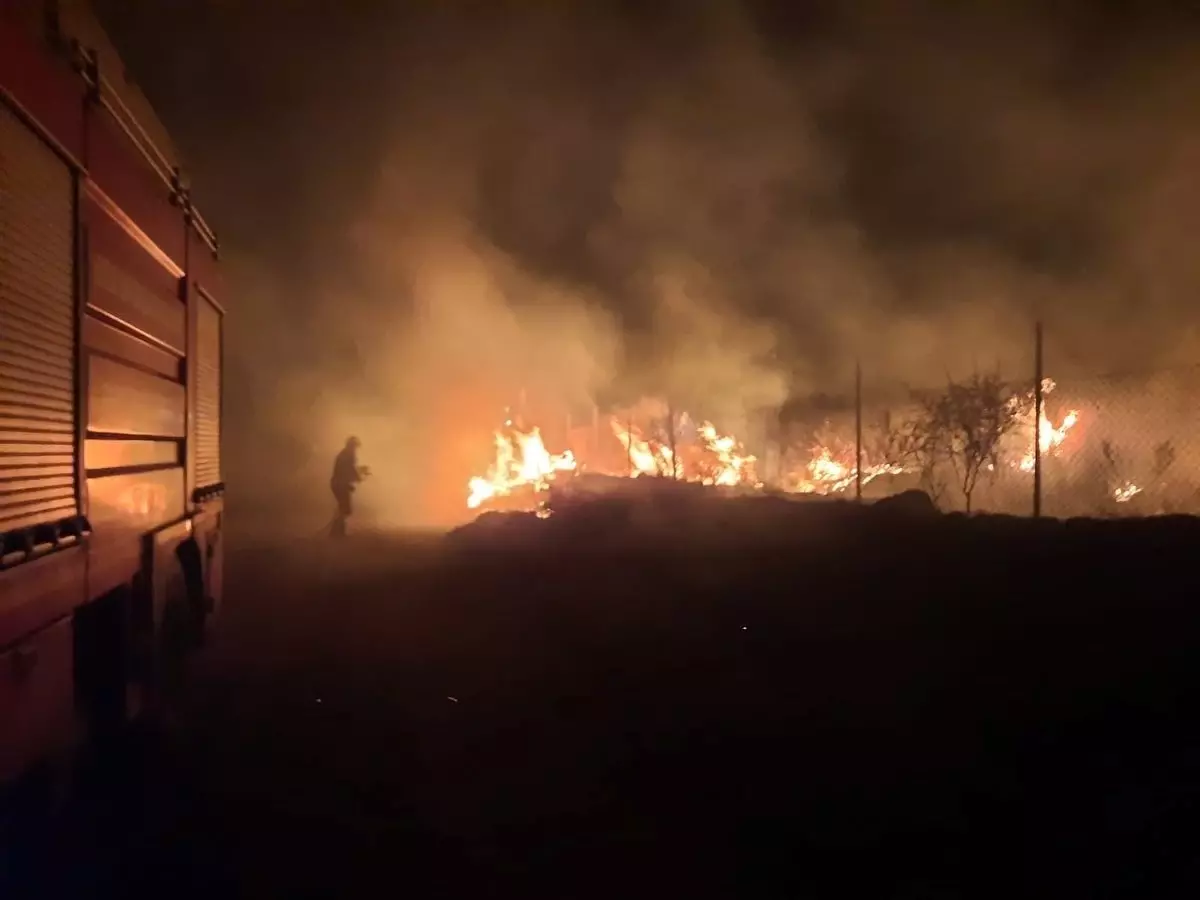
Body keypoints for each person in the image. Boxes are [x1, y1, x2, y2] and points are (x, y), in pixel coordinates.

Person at [329, 436, 369, 538]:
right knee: (345, 508)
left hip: (338, 484)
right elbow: (349, 471)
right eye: (355, 446)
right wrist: (359, 476)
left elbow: (349, 470)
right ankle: (336, 533)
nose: (355, 449)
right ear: (351, 446)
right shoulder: (348, 455)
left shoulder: (345, 454)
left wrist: (360, 472)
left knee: (343, 508)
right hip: (340, 484)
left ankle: (336, 532)